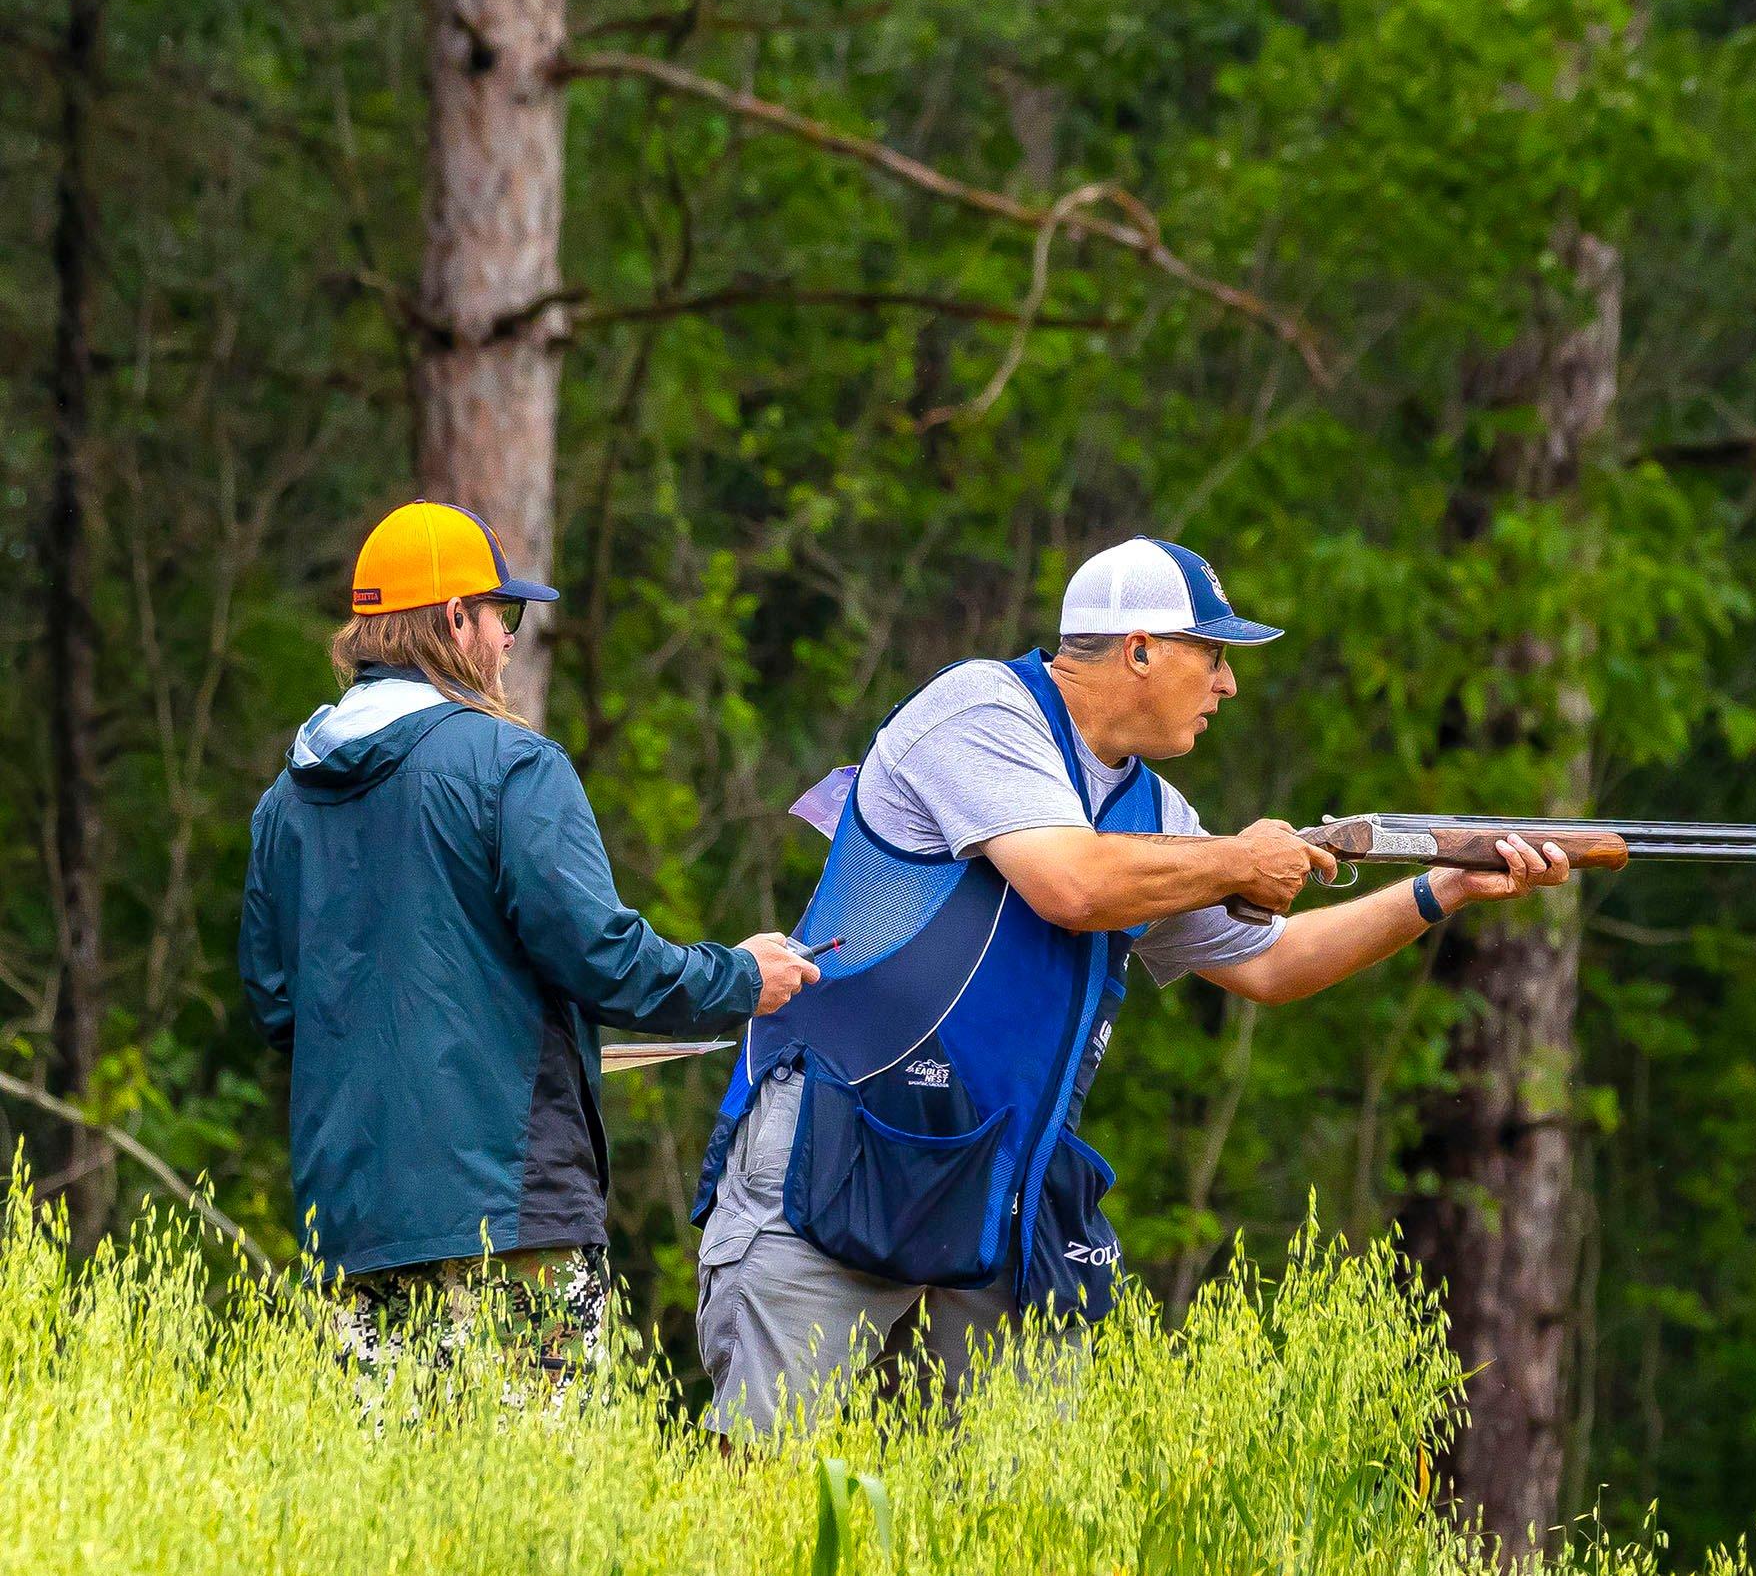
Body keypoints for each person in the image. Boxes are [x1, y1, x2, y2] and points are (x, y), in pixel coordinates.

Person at [692, 536, 1575, 1434]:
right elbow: (1073, 885)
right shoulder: (981, 709)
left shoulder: (1157, 813)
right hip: (845, 1145)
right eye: (1215, 655)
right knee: (765, 1483)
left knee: (1026, 1520)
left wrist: (1441, 890)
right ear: (1140, 648)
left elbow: (1272, 962)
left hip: (1004, 1176)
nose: (1228, 685)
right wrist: (1236, 857)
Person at [239, 500, 820, 1379]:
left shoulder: (282, 806)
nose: (511, 639)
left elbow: (282, 1008)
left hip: (354, 1231)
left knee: (385, 1510)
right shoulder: (513, 766)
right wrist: (740, 976)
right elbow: (604, 960)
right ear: (451, 621)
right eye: (501, 614)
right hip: (515, 1223)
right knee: (535, 1505)